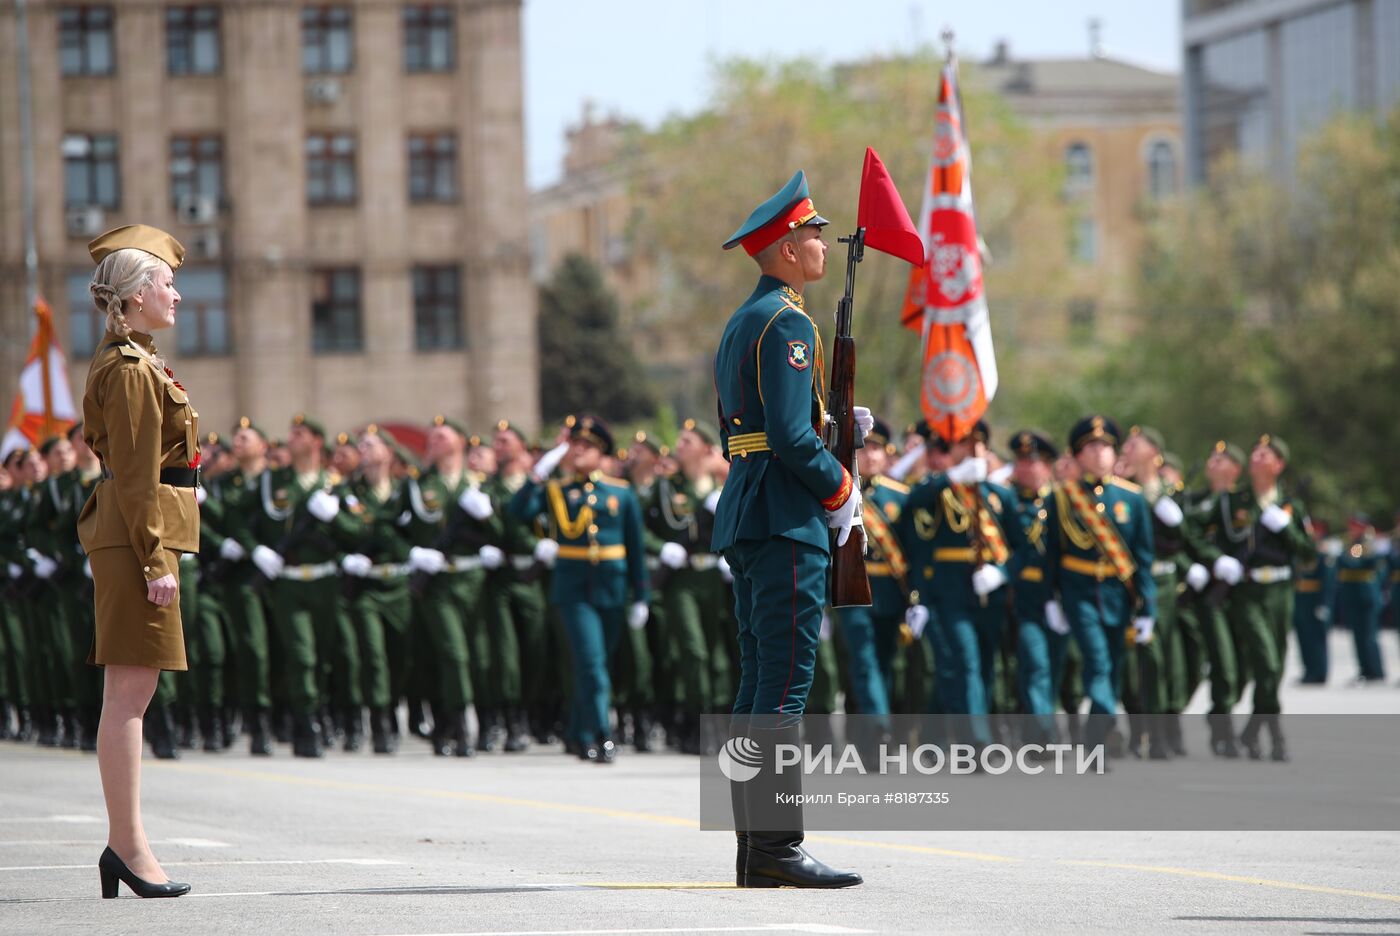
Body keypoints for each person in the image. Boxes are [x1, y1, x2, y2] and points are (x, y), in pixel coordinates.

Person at [712, 170, 863, 889]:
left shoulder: (746, 320)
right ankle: (774, 848)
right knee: (785, 688)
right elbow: (790, 438)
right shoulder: (790, 321)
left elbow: (752, 431)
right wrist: (840, 486)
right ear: (782, 248)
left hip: (750, 508)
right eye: (811, 234)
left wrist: (836, 425)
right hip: (785, 518)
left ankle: (755, 849)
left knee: (759, 684)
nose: (822, 244)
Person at [77, 224, 195, 898]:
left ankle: (126, 845)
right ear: (134, 296)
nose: (175, 294)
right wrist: (155, 559)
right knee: (129, 693)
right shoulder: (127, 370)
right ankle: (128, 846)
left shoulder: (137, 362)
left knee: (134, 692)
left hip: (140, 535)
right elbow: (135, 474)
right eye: (166, 284)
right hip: (135, 538)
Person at [509, 416, 649, 764]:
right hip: (573, 591)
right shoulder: (556, 490)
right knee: (590, 663)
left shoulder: (620, 492)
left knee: (598, 665)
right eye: (575, 445)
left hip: (613, 589)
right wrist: (537, 475)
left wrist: (642, 596)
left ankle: (579, 731)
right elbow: (516, 513)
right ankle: (602, 733)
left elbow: (636, 547)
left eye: (587, 446)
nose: (579, 451)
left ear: (601, 453)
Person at [1187, 435, 1314, 760]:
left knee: (1275, 668)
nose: (1258, 458)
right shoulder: (1232, 501)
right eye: (1256, 453)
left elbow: (1309, 553)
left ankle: (1256, 730)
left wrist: (1287, 527)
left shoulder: (1290, 505)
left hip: (1281, 592)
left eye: (1266, 454)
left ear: (1279, 465)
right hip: (1247, 591)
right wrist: (1216, 559)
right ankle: (1271, 732)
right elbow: (1192, 530)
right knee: (1265, 662)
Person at [1043, 416, 1156, 754]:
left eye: (1106, 446)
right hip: (1079, 595)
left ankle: (1094, 742)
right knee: (1098, 662)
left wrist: (1148, 607)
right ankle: (1105, 720)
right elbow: (1051, 554)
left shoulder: (1132, 499)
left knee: (1114, 665)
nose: (1100, 453)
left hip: (1117, 596)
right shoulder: (1062, 498)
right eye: (1092, 447)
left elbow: (1143, 558)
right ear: (1078, 455)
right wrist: (1052, 598)